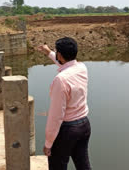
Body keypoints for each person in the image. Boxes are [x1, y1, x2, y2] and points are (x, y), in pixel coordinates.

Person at [37, 37, 91, 170]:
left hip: (67, 130)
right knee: (83, 164)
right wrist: (49, 52)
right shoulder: (82, 68)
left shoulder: (60, 80)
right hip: (84, 125)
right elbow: (65, 64)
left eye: (57, 52)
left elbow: (56, 116)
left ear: (60, 55)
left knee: (57, 166)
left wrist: (48, 143)